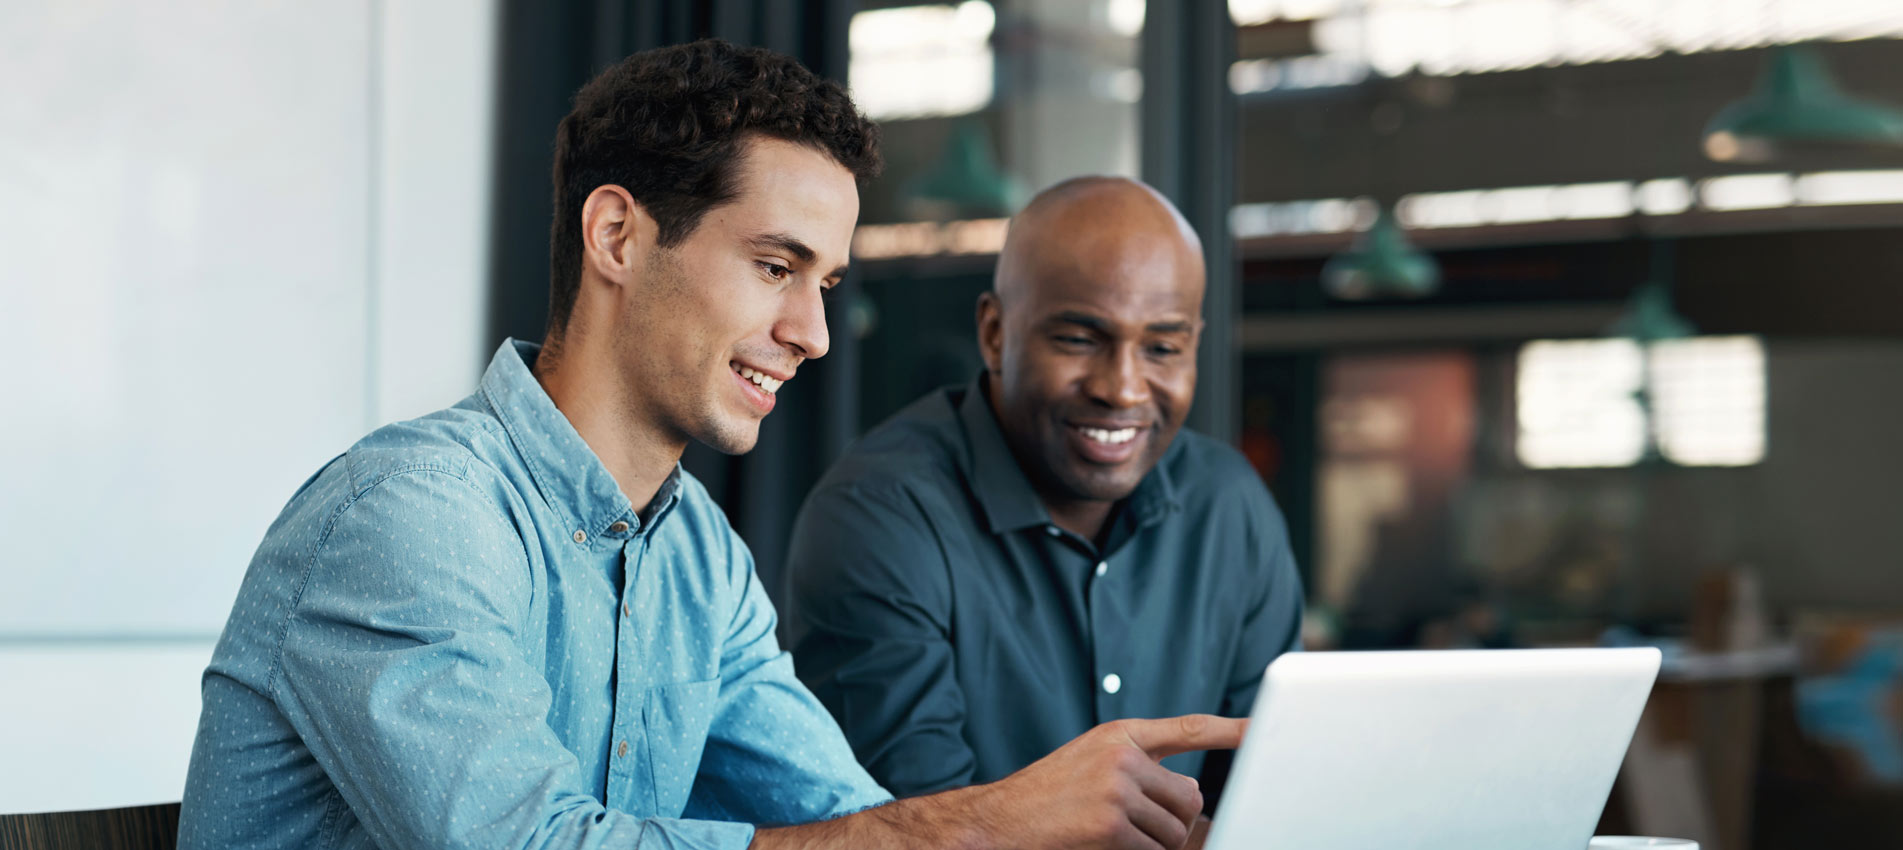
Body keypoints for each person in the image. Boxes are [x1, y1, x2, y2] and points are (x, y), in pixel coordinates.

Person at [179, 40, 1239, 850]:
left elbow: (846, 820)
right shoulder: (412, 515)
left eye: (824, 284)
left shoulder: (697, 559)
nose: (813, 335)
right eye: (776, 267)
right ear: (618, 237)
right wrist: (985, 823)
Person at [784, 176, 1304, 808]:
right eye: (1080, 340)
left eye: (1162, 347)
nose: (1124, 389)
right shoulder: (879, 514)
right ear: (996, 334)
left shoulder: (1228, 505)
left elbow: (1275, 793)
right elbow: (916, 825)